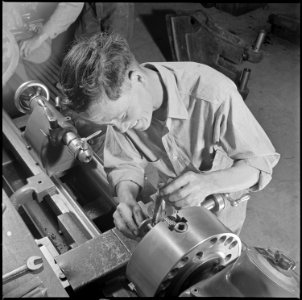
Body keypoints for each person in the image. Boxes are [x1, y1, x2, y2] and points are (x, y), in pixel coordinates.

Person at [59, 32, 280, 239]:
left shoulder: (213, 94)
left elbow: (260, 164)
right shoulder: (119, 112)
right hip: (174, 206)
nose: (121, 128)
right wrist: (126, 199)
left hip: (223, 203)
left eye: (123, 115)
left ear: (136, 78)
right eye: (109, 123)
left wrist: (208, 183)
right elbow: (124, 162)